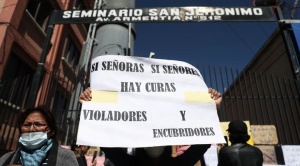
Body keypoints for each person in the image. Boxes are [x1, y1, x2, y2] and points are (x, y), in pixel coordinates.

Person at [79, 87, 222, 166]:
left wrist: (213, 109)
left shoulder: (177, 165)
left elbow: (202, 143)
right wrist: (90, 107)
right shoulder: (130, 165)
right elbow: (105, 143)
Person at [0, 107, 79, 166]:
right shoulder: (6, 158)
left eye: (38, 124)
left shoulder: (65, 156)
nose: (31, 129)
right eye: (27, 125)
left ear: (51, 131)